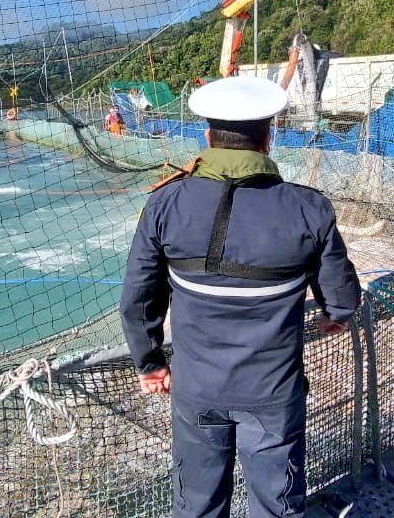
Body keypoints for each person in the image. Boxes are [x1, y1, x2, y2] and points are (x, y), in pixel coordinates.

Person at [120, 75, 361, 518]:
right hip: (272, 391)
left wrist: (150, 363)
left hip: (196, 388)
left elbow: (138, 297)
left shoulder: (165, 204)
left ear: (208, 136)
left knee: (197, 503)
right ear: (267, 138)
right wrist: (334, 314)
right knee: (277, 503)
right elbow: (343, 296)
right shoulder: (309, 208)